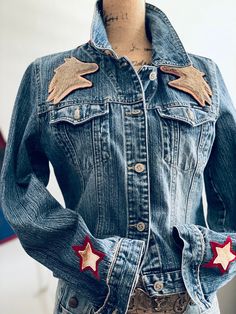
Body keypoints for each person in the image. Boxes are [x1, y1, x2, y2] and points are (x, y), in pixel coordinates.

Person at [1, 0, 235, 313]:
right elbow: (17, 188)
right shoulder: (45, 77)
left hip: (188, 300)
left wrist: (205, 260)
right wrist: (96, 262)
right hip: (92, 301)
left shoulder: (205, 76)